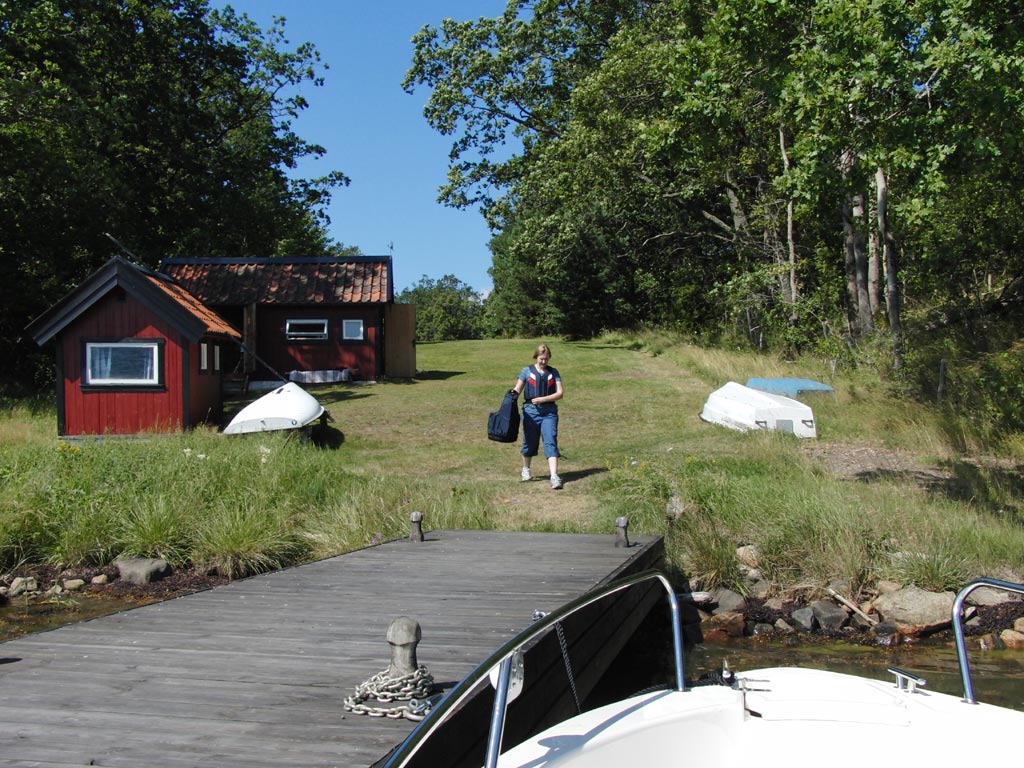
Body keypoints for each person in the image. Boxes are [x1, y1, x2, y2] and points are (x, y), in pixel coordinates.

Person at [511, 343, 564, 489]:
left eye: (546, 359)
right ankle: (526, 470)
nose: (543, 362)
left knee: (550, 440)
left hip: (549, 412)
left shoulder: (554, 372)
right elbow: (517, 389)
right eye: (541, 358)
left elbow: (560, 393)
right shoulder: (526, 371)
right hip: (530, 413)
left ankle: (554, 476)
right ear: (536, 356)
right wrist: (511, 396)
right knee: (529, 442)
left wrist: (543, 399)